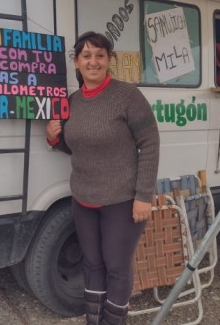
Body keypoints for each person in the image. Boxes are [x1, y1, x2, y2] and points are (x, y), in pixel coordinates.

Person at [46, 31, 159, 325]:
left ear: (109, 59)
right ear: (76, 62)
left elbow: (150, 143)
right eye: (86, 56)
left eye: (99, 55)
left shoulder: (128, 96)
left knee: (116, 267)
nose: (93, 62)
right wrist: (55, 140)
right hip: (84, 199)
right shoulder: (72, 101)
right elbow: (76, 147)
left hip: (121, 200)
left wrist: (144, 196)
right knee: (92, 264)